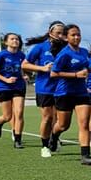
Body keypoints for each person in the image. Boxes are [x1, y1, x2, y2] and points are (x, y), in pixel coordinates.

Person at [50, 24, 91, 166]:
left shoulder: (83, 51)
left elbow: (85, 67)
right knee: (64, 125)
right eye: (73, 35)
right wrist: (76, 75)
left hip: (81, 92)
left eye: (78, 34)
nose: (77, 37)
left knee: (84, 124)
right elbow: (53, 73)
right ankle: (54, 136)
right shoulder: (64, 54)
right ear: (66, 37)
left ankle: (85, 155)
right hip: (64, 93)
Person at [22, 21, 65, 158]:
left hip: (62, 88)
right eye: (58, 32)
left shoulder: (66, 48)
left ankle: (54, 137)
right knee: (47, 117)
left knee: (59, 119)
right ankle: (44, 146)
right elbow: (25, 64)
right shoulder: (40, 48)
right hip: (45, 88)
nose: (60, 35)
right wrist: (42, 68)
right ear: (50, 32)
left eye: (62, 33)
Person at [0, 32, 28, 149]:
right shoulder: (1, 55)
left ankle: (17, 140)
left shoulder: (22, 55)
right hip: (4, 87)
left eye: (17, 39)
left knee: (19, 113)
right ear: (6, 42)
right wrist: (5, 80)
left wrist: (24, 75)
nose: (15, 41)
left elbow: (22, 68)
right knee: (7, 116)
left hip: (19, 87)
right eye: (12, 39)